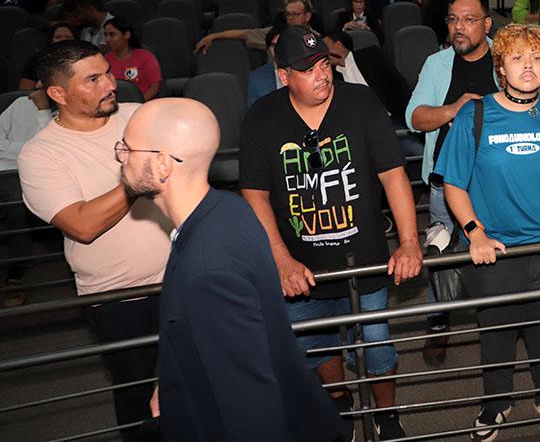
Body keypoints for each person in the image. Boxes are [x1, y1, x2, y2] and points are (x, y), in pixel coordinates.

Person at [116, 99, 348, 441]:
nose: (120, 157)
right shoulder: (227, 209)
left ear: (162, 165)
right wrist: (166, 381)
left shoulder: (209, 270)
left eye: (128, 148)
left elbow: (249, 403)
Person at [239, 26, 422, 440]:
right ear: (284, 75)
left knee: (377, 344)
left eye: (324, 63)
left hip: (368, 257)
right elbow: (254, 194)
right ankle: (339, 401)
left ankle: (386, 412)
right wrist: (281, 259)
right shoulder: (262, 118)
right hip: (301, 266)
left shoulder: (360, 103)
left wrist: (409, 242)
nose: (322, 74)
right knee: (318, 347)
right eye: (308, 69)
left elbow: (393, 175)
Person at [435, 24, 540, 441]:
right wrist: (474, 233)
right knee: (497, 334)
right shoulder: (476, 114)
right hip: (497, 249)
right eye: (518, 57)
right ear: (500, 66)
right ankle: (497, 402)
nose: (528, 65)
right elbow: (453, 183)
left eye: (537, 58)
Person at [18, 41, 171, 440]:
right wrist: (134, 183)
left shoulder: (140, 117)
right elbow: (82, 225)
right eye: (93, 79)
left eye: (107, 72)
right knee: (139, 403)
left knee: (208, 381)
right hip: (118, 300)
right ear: (58, 94)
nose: (111, 83)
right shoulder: (40, 155)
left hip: (184, 280)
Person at [406, 0, 497, 365]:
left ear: (487, 23)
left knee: (496, 254)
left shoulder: (507, 56)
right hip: (445, 182)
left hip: (494, 182)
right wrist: (452, 109)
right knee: (442, 260)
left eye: (469, 20)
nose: (459, 28)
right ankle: (437, 325)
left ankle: (494, 323)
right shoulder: (437, 63)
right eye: (453, 20)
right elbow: (414, 117)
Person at [0, 87, 53, 306]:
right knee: (15, 200)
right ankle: (16, 271)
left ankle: (16, 272)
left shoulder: (70, 112)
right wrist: (30, 150)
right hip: (7, 171)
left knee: (20, 202)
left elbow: (51, 150)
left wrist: (43, 110)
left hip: (43, 173)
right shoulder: (20, 104)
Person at [196, 0, 316, 53]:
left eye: (295, 14)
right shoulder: (275, 35)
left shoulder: (317, 38)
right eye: (288, 14)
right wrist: (213, 36)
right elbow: (243, 34)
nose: (290, 18)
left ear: (307, 16)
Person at [103, 19, 162, 102]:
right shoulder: (105, 60)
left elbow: (155, 87)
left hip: (142, 105)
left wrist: (139, 103)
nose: (107, 39)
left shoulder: (146, 57)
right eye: (106, 35)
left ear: (127, 35)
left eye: (112, 35)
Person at [18, 22, 77, 90]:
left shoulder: (84, 60)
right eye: (58, 37)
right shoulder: (38, 59)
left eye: (68, 37)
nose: (63, 40)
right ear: (51, 40)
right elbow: (25, 89)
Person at [246, 23, 288, 110]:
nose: (277, 50)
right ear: (268, 49)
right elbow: (252, 115)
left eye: (281, 45)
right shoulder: (256, 78)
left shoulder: (306, 72)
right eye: (273, 46)